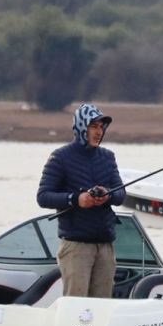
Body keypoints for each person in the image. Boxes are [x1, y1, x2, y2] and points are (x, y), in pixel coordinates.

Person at [36, 103, 125, 298]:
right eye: (94, 126)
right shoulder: (60, 157)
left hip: (105, 246)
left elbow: (121, 195)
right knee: (76, 308)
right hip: (75, 246)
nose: (99, 132)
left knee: (102, 307)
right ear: (81, 127)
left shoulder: (108, 157)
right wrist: (76, 199)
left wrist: (107, 195)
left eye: (101, 127)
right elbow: (43, 196)